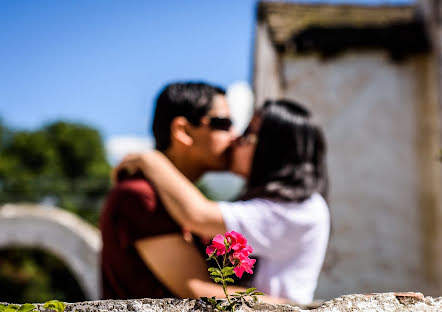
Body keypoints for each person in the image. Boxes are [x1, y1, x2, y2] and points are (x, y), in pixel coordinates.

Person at [115, 99, 330, 305]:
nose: (236, 139)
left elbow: (198, 215)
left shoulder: (301, 209)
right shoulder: (284, 204)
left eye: (248, 135)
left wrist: (151, 160)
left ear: (275, 150)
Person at [100, 82, 285, 303]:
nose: (235, 137)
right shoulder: (140, 195)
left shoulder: (177, 198)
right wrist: (290, 305)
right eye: (224, 124)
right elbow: (198, 290)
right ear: (184, 131)